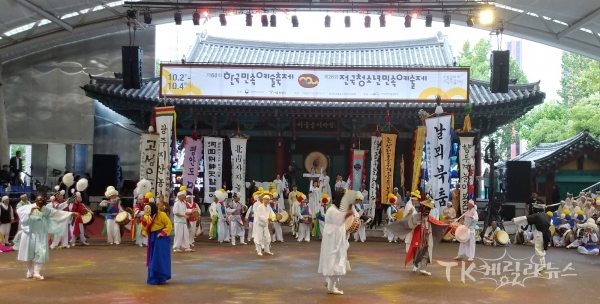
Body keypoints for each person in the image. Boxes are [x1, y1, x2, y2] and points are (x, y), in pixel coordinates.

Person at [15, 196, 78, 280]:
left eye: (42, 200)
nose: (40, 201)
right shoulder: (29, 207)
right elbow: (19, 212)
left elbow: (57, 213)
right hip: (29, 234)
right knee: (28, 253)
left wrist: (70, 214)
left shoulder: (46, 209)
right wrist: (30, 211)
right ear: (36, 200)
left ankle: (36, 272)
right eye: (39, 199)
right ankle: (30, 271)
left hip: (41, 234)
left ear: (45, 202)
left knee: (41, 252)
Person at [317, 190, 358, 295]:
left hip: (337, 239)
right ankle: (331, 286)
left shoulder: (336, 209)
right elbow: (338, 220)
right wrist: (348, 213)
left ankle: (330, 283)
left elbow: (344, 221)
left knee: (335, 261)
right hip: (332, 240)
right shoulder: (332, 210)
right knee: (333, 261)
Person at [512, 203, 551, 272]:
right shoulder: (547, 215)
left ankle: (543, 265)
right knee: (541, 249)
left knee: (538, 249)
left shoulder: (537, 216)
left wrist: (515, 220)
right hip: (546, 233)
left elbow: (525, 218)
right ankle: (543, 264)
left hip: (540, 234)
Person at [142, 202, 172, 285]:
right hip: (152, 237)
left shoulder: (162, 214)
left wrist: (163, 233)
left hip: (161, 237)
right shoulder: (146, 216)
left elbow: (169, 225)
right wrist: (144, 222)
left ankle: (161, 276)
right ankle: (153, 277)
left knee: (160, 257)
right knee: (152, 257)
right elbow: (144, 228)